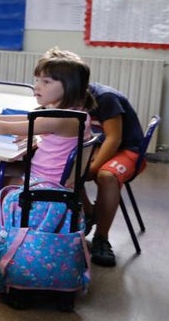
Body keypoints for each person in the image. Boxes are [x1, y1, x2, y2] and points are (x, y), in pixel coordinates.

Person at [0, 52, 93, 222]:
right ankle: (12, 224)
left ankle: (10, 231)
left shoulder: (62, 119)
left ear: (70, 86)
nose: (37, 87)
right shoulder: (76, 114)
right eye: (37, 80)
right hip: (49, 179)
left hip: (43, 186)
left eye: (46, 82)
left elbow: (5, 127)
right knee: (6, 168)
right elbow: (27, 118)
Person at [44, 48, 143, 267]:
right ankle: (89, 213)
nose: (41, 86)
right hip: (95, 145)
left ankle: (102, 238)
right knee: (67, 168)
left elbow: (114, 139)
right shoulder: (64, 99)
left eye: (48, 81)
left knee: (106, 176)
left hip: (128, 149)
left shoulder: (104, 98)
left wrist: (92, 168)